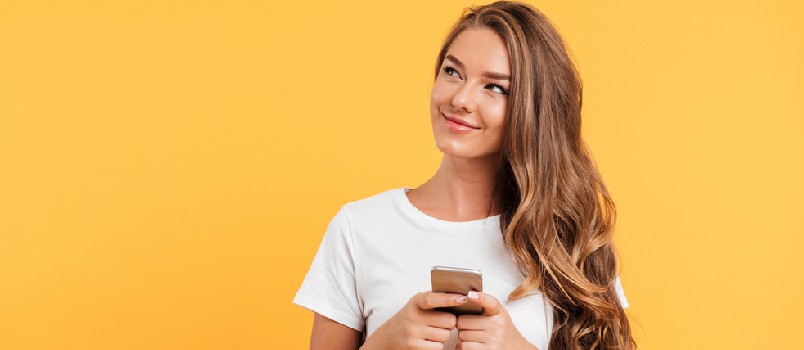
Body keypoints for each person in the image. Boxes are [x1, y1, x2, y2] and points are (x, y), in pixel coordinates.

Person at [293, 1, 635, 349]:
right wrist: (382, 342)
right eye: (453, 72)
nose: (460, 99)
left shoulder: (570, 235)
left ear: (534, 111)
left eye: (496, 88)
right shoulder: (358, 228)